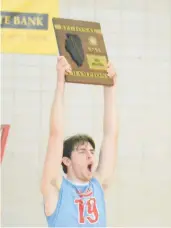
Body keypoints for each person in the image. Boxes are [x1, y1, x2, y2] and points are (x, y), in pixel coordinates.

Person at [41, 56, 118, 227]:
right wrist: (60, 82)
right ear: (66, 160)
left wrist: (110, 87)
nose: (90, 155)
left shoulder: (98, 184)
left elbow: (110, 135)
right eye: (82, 151)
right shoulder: (55, 188)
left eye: (91, 151)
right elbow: (55, 135)